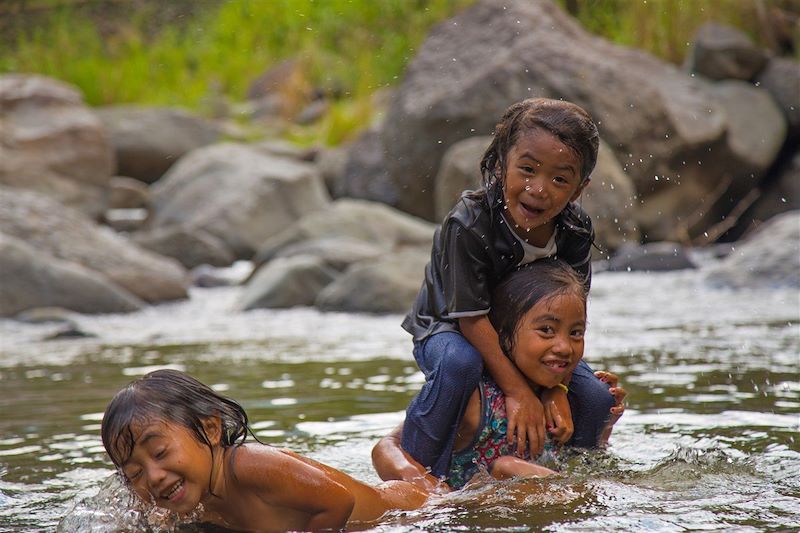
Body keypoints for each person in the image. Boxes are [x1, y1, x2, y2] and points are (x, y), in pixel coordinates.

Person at [397, 98, 616, 481]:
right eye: (527, 170)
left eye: (560, 179)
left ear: (579, 190)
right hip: (449, 327)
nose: (538, 189)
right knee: (459, 365)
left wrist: (557, 389)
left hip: (531, 338)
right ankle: (418, 473)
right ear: (501, 165)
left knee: (596, 398)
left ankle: (572, 477)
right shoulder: (469, 223)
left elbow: (571, 318)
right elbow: (470, 319)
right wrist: (519, 392)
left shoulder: (576, 230)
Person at [376, 259, 626, 490]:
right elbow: (386, 446)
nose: (563, 347)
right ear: (504, 336)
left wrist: (605, 425)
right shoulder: (476, 401)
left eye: (576, 333)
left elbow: (580, 463)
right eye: (546, 330)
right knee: (508, 469)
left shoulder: (564, 400)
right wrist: (422, 485)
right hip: (467, 514)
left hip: (534, 514)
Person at [101, 369, 427, 532]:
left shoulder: (249, 464)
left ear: (211, 430)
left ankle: (393, 443)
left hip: (413, 510)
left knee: (442, 489)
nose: (153, 477)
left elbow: (340, 499)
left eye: (159, 453)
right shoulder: (181, 509)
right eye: (134, 473)